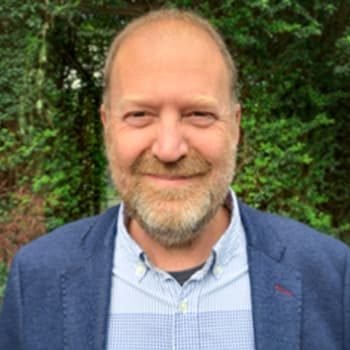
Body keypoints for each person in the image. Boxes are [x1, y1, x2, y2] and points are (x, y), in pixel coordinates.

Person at [1, 9, 349, 350]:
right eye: (139, 115)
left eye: (199, 114)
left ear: (236, 125)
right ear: (107, 126)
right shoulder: (37, 280)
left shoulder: (333, 278)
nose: (169, 149)